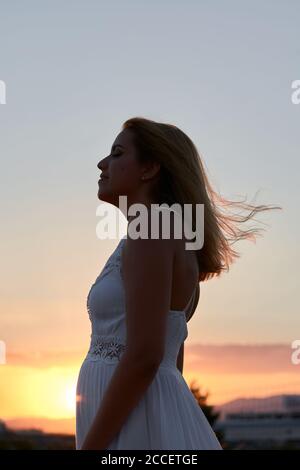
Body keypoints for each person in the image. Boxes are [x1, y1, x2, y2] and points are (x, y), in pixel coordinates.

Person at [75, 117, 281, 450]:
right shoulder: (165, 233)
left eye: (116, 153)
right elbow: (172, 359)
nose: (102, 163)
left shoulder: (153, 227)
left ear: (150, 168)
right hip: (147, 418)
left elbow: (145, 356)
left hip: (134, 425)